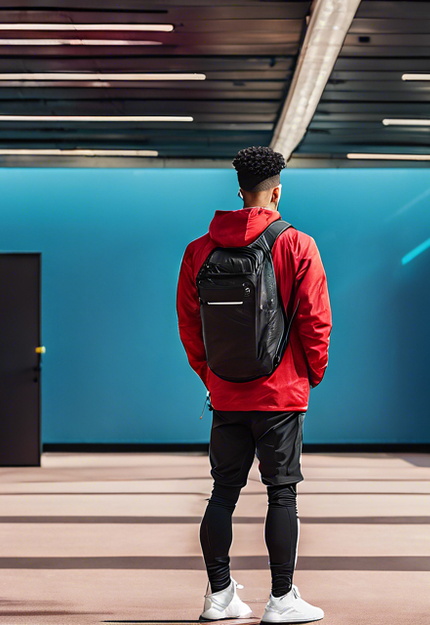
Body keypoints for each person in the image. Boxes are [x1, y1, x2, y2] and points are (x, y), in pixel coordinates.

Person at [176, 146, 332, 623]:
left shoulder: (199, 250)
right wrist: (310, 376)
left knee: (222, 492)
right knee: (281, 493)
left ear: (239, 190)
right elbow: (316, 322)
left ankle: (219, 597)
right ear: (277, 191)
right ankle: (281, 599)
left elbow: (189, 325)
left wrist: (212, 376)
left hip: (225, 395)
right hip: (281, 394)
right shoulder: (297, 244)